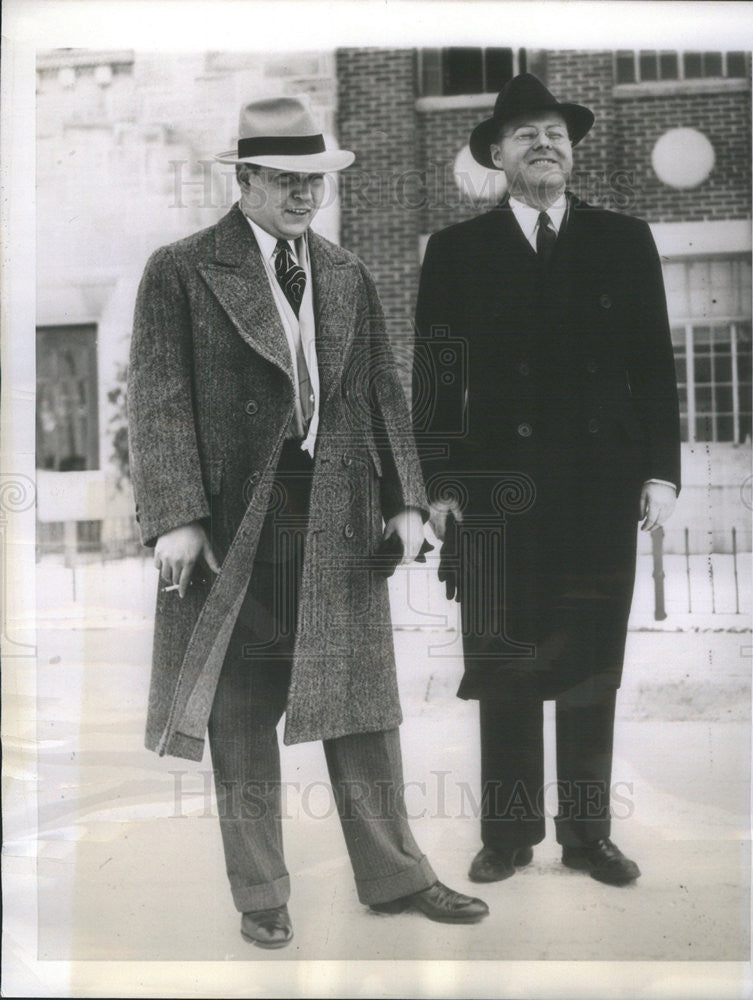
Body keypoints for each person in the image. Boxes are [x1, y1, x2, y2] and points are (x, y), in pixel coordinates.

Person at [128, 95, 488, 949]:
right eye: (286, 180)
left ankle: (396, 876)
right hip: (236, 518)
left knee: (361, 703)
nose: (303, 196)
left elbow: (377, 394)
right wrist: (176, 516)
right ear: (245, 179)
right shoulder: (180, 269)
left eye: (315, 181)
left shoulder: (345, 271)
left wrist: (404, 498)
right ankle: (262, 893)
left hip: (338, 510)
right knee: (242, 709)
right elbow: (160, 398)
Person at [413, 74, 681, 887]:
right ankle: (509, 833)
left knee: (592, 664)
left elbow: (653, 367)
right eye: (526, 133)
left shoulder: (624, 238)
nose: (545, 143)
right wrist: (441, 481)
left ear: (572, 149)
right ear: (497, 154)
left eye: (557, 132)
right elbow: (436, 375)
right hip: (498, 494)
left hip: (600, 490)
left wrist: (661, 472)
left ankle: (588, 834)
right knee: (507, 663)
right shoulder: (458, 251)